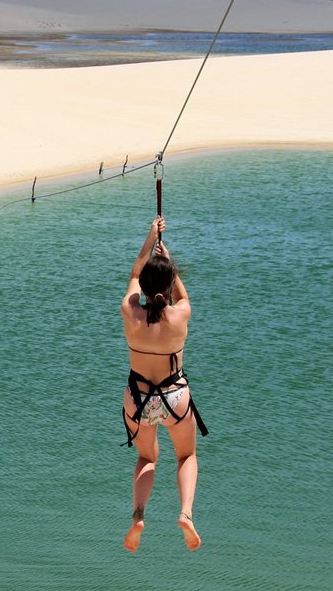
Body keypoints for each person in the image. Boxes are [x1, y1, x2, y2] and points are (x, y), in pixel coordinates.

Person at [120, 215, 208, 552]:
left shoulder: (131, 313)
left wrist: (149, 238)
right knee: (186, 456)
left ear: (143, 287)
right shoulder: (180, 315)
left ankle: (138, 515)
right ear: (169, 284)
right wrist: (170, 263)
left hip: (139, 399)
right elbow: (181, 295)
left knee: (147, 458)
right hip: (175, 397)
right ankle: (185, 513)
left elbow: (133, 274)